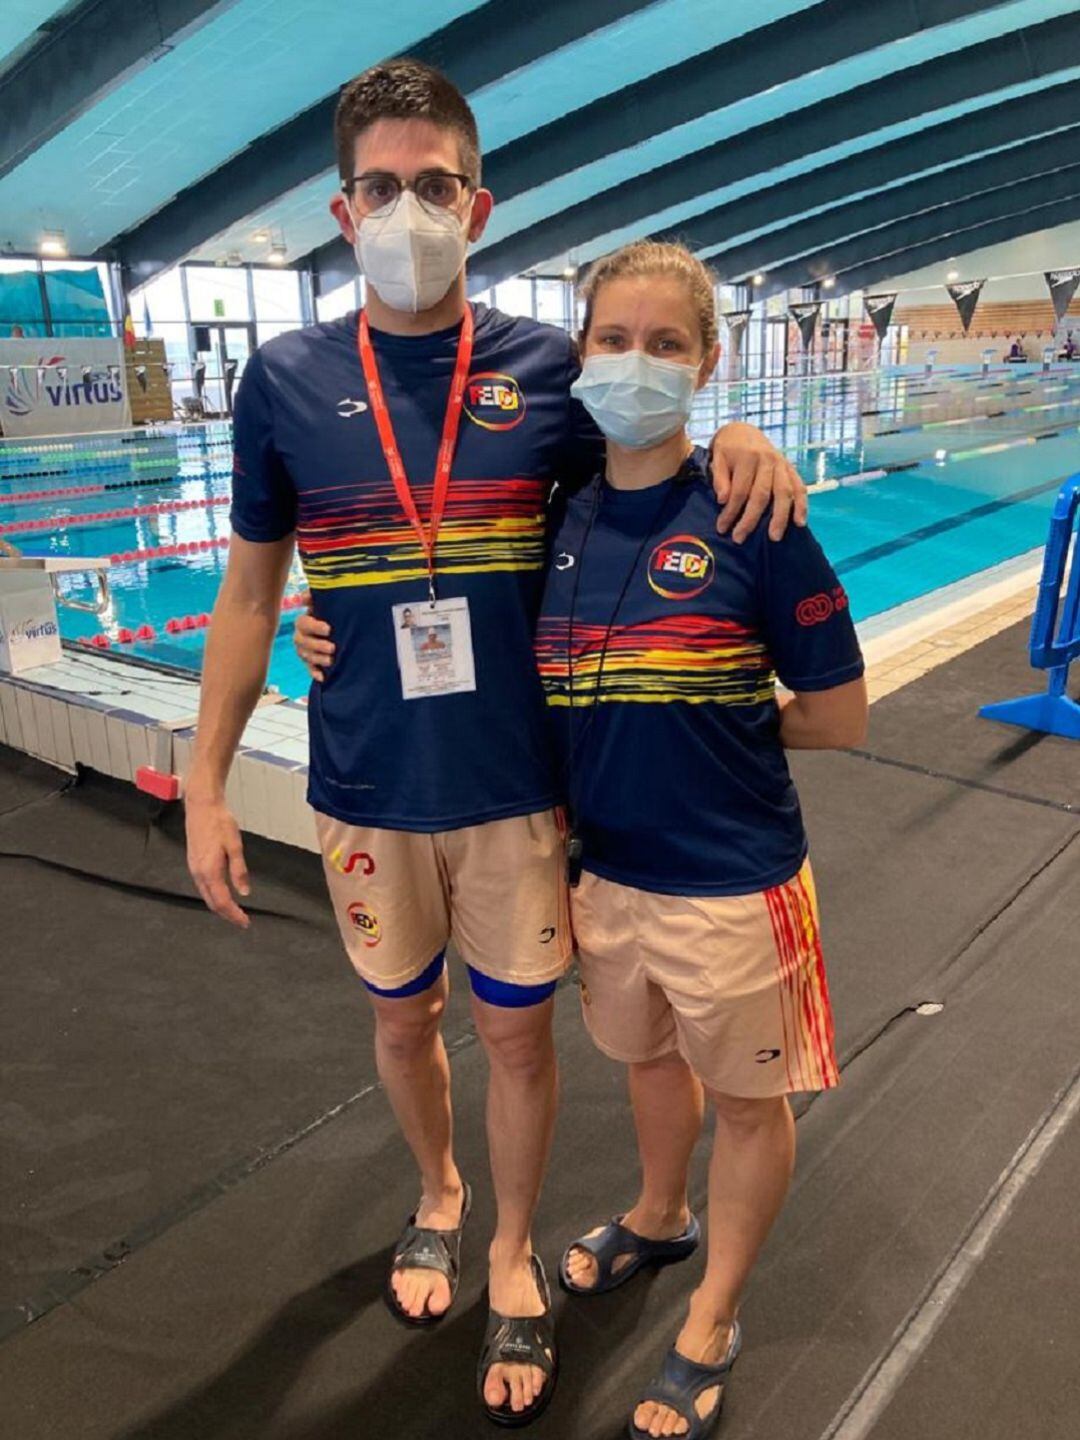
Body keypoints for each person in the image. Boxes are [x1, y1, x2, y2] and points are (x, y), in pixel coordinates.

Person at [189, 58, 804, 1427]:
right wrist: (207, 784)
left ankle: (513, 1250)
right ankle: (440, 1196)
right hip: (364, 782)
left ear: (481, 201)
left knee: (521, 1046)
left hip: (522, 790)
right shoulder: (283, 377)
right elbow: (245, 591)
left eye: (438, 184)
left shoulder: (547, 368)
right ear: (343, 214)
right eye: (383, 188)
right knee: (400, 1020)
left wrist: (749, 434)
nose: (412, 207)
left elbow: (656, 484)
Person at [533, 242, 867, 1439]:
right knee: (647, 1060)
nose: (635, 362)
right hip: (607, 877)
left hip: (733, 881)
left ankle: (714, 1312)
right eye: (612, 339)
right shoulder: (560, 519)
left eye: (664, 343)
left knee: (745, 1100)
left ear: (708, 362)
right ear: (581, 354)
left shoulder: (752, 510)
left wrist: (721, 719)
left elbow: (838, 711)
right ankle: (661, 1214)